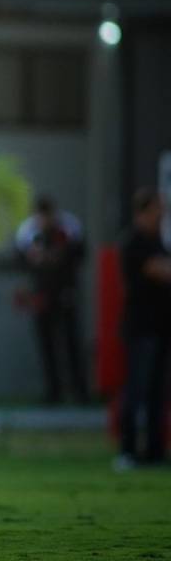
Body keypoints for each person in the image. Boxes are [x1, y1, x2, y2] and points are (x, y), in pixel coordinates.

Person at [115, 188, 171, 470]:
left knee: (157, 394)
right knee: (136, 390)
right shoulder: (134, 242)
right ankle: (127, 451)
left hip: (161, 327)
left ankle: (154, 452)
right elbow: (159, 271)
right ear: (143, 211)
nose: (162, 213)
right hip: (141, 328)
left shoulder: (158, 241)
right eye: (157, 208)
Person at [14, 195, 88, 404]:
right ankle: (53, 391)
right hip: (42, 293)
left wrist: (58, 257)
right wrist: (36, 259)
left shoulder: (69, 227)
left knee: (71, 342)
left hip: (65, 291)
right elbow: (20, 258)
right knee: (46, 344)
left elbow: (80, 254)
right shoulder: (28, 231)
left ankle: (80, 391)